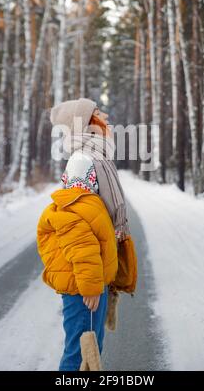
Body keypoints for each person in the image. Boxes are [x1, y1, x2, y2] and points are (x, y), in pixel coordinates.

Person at [36, 97, 132, 371]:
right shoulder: (82, 161)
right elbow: (73, 224)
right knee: (80, 354)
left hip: (94, 269)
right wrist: (90, 283)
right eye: (100, 114)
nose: (108, 118)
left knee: (92, 352)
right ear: (85, 125)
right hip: (82, 278)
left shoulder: (97, 158)